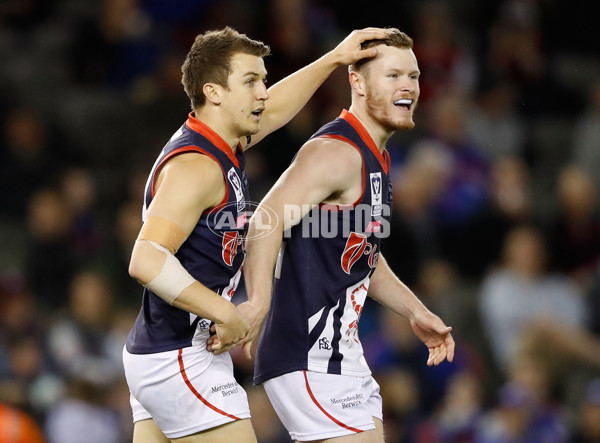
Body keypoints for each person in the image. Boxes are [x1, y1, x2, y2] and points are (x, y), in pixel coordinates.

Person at [122, 26, 391, 443]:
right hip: (179, 355)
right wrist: (226, 311)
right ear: (213, 92)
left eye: (263, 80)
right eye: (250, 81)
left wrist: (334, 58)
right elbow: (147, 258)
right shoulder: (197, 166)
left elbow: (279, 109)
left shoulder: (219, 143)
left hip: (161, 349)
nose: (263, 92)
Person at [242, 29, 455, 442]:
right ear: (357, 82)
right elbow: (264, 220)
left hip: (343, 355)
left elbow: (363, 257)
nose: (408, 86)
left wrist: (414, 311)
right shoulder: (337, 152)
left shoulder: (378, 156)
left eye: (413, 76)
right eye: (393, 75)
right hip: (307, 353)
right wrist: (257, 303)